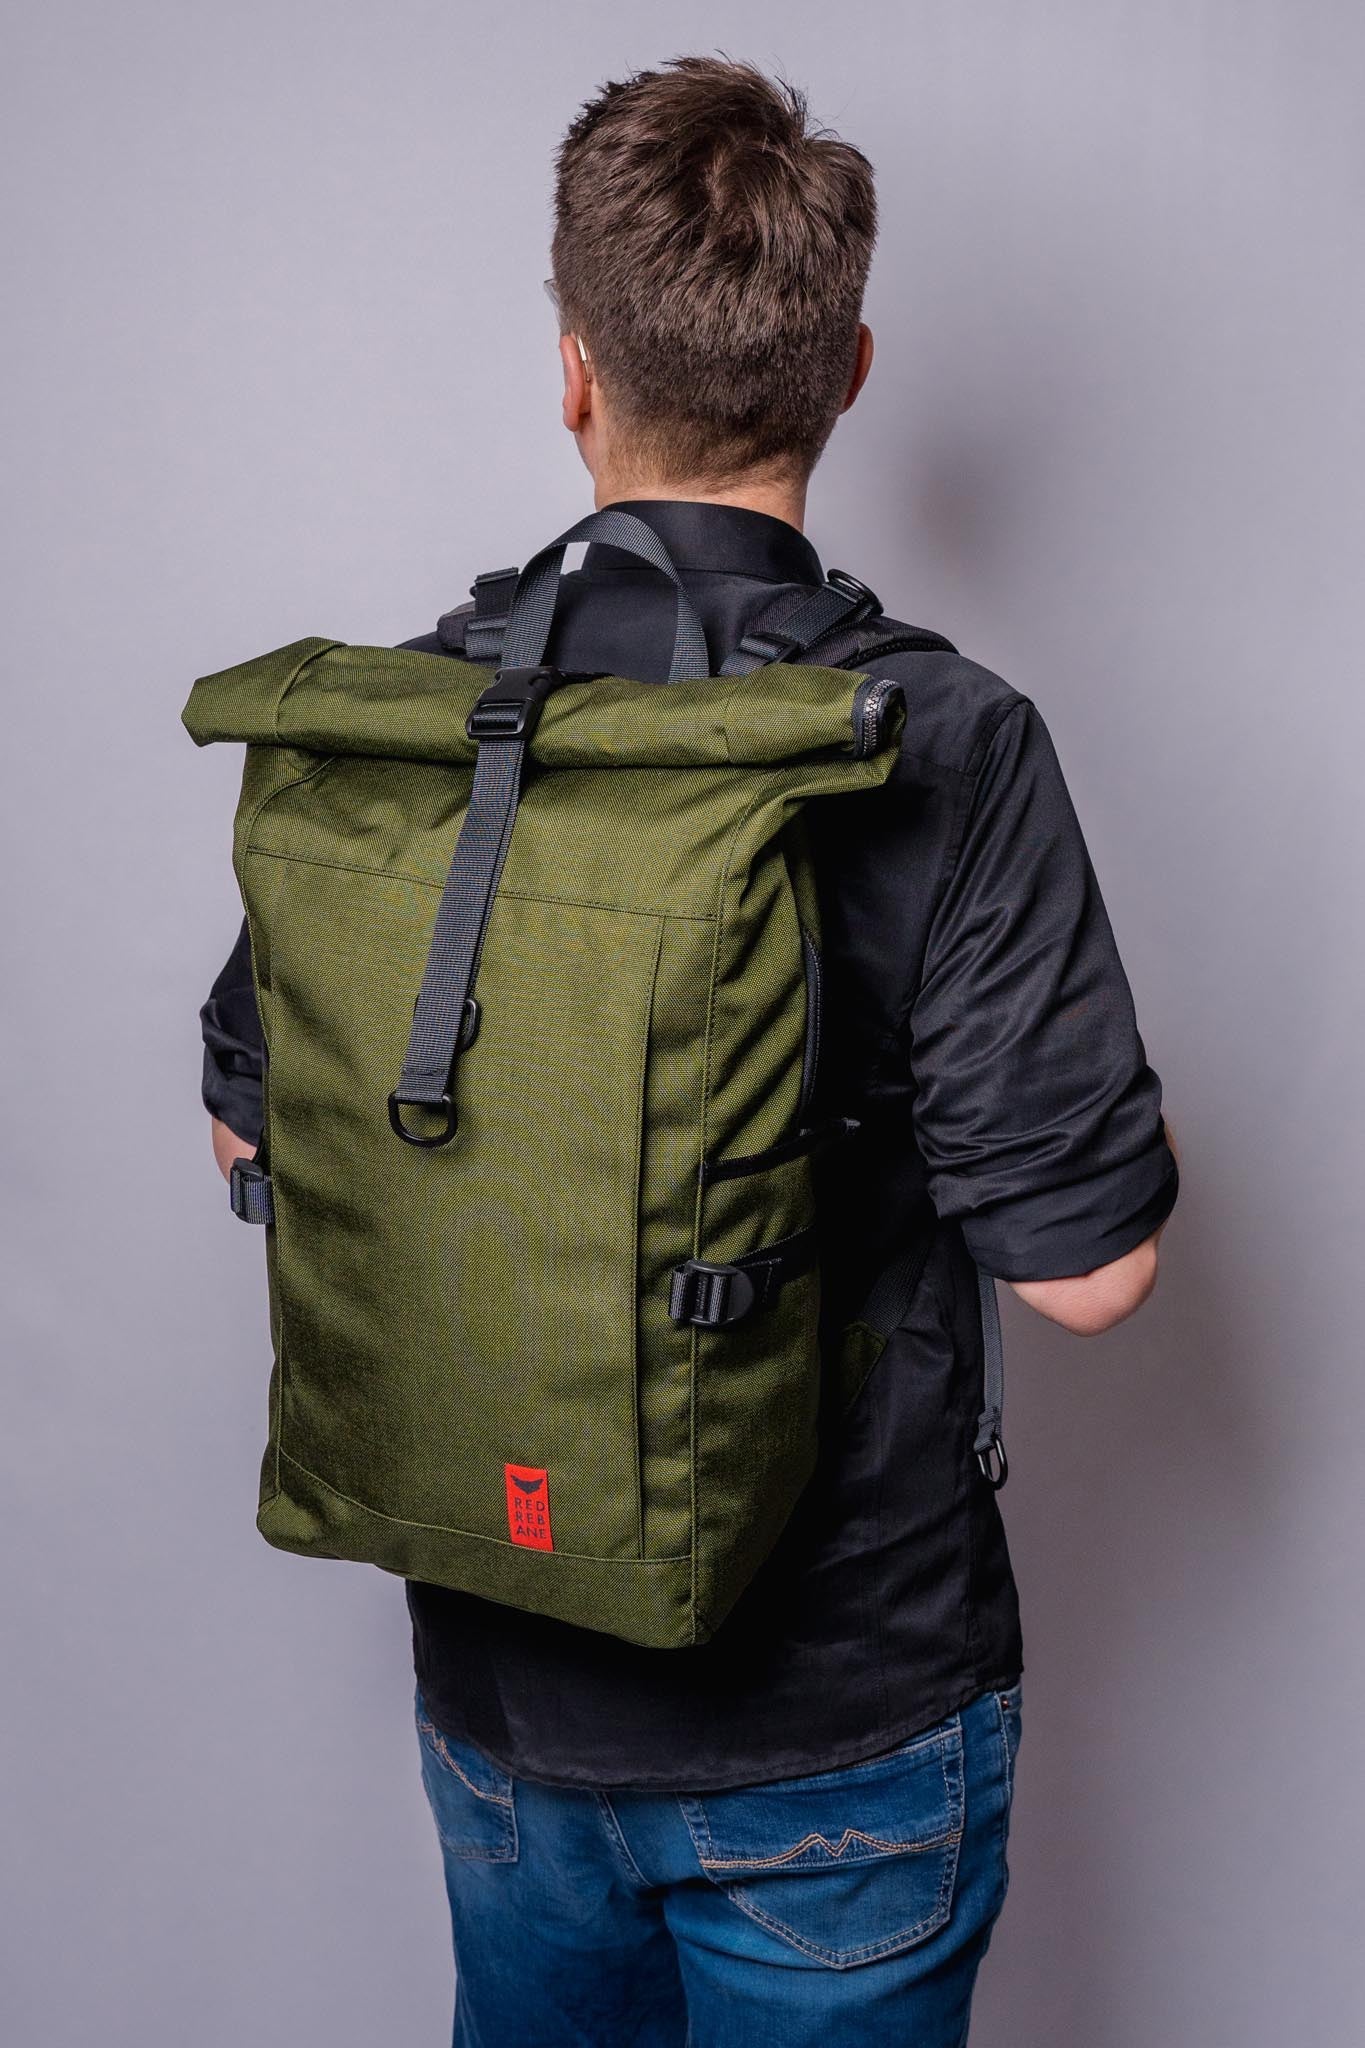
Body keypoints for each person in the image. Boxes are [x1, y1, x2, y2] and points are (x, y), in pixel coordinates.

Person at [199, 55, 1179, 2048]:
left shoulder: (421, 726)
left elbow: (251, 1138)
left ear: (574, 372)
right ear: (848, 373)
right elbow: (1088, 1275)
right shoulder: (945, 739)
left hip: (503, 1685)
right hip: (843, 1721)